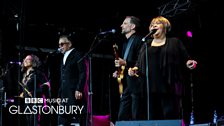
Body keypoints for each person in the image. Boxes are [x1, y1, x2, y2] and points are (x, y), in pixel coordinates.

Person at [128, 16, 197, 120]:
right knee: (152, 119)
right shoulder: (146, 44)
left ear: (165, 27)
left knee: (170, 118)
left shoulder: (175, 42)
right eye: (151, 25)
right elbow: (138, 63)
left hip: (169, 88)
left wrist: (189, 63)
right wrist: (133, 69)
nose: (153, 26)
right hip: (149, 89)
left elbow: (185, 59)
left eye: (157, 23)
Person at [112, 16, 144, 121]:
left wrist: (125, 62)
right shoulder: (126, 43)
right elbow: (125, 64)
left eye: (125, 23)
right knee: (122, 115)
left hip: (138, 83)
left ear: (133, 26)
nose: (121, 25)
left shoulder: (140, 40)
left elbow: (142, 61)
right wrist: (119, 71)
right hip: (128, 83)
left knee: (136, 115)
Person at [57, 33, 87, 126]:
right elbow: (63, 78)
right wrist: (59, 95)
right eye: (59, 45)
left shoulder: (77, 54)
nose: (60, 47)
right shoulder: (63, 57)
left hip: (73, 92)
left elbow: (83, 72)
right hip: (64, 93)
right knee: (63, 118)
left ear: (69, 44)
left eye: (62, 44)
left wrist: (79, 89)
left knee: (74, 117)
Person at [19, 54, 50, 126]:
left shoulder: (37, 73)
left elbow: (47, 84)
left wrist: (35, 91)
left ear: (33, 61)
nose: (25, 61)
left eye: (28, 59)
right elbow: (27, 87)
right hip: (27, 101)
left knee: (34, 121)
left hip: (36, 100)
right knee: (28, 121)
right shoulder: (24, 74)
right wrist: (23, 93)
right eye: (25, 59)